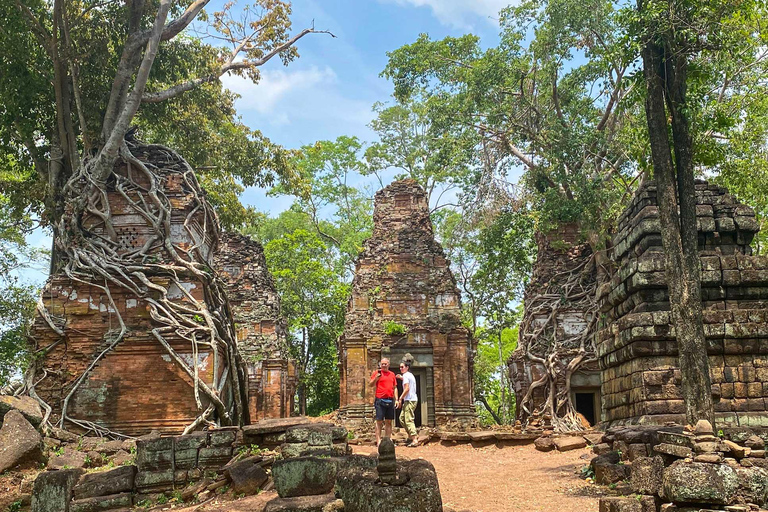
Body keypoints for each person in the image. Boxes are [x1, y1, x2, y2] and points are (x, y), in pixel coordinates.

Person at [369, 357, 398, 447]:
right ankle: (378, 441)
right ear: (380, 365)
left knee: (389, 421)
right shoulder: (377, 373)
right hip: (380, 400)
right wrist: (376, 379)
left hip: (390, 399)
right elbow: (370, 384)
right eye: (382, 364)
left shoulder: (392, 374)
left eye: (385, 364)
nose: (384, 365)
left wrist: (396, 399)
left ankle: (388, 440)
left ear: (388, 365)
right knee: (379, 421)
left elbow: (395, 387)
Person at [396, 361, 418, 447]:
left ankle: (414, 439)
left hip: (410, 400)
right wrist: (401, 378)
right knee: (402, 419)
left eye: (402, 367)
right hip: (409, 400)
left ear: (407, 367)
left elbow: (407, 389)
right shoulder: (409, 375)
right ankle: (410, 436)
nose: (401, 368)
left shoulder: (406, 376)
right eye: (400, 367)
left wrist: (400, 398)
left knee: (408, 419)